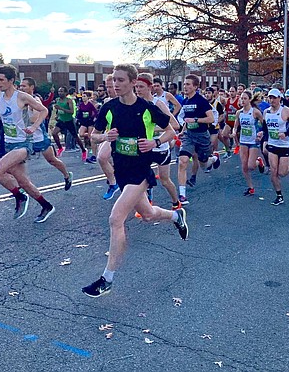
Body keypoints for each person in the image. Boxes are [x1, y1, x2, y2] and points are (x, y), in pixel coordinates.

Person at [81, 64, 186, 298]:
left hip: (140, 172)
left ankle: (107, 279)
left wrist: (155, 142)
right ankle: (176, 216)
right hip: (122, 171)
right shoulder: (109, 108)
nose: (115, 84)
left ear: (132, 82)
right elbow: (93, 136)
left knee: (115, 219)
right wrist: (104, 136)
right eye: (113, 80)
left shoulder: (147, 109)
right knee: (148, 215)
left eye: (120, 80)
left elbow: (172, 131)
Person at [0, 65, 56, 221]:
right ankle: (46, 206)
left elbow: (44, 110)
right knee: (23, 181)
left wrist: (34, 126)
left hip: (24, 144)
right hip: (9, 143)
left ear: (11, 80)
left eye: (1, 80)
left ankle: (20, 197)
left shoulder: (22, 97)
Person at [19, 77, 74, 195]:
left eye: (24, 86)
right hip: (24, 138)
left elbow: (34, 118)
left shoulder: (35, 100)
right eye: (20, 86)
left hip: (38, 136)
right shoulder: (19, 99)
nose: (21, 88)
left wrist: (26, 109)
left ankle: (67, 175)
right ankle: (24, 185)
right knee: (19, 161)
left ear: (31, 87)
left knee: (51, 160)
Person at [135, 73, 182, 209]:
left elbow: (175, 125)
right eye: (136, 86)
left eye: (141, 87)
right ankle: (147, 204)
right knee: (142, 177)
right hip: (144, 148)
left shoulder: (158, 104)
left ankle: (175, 202)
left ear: (150, 87)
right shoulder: (136, 104)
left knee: (164, 180)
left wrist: (154, 129)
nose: (138, 90)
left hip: (160, 147)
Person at [176, 74, 221, 205]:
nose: (185, 86)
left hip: (202, 136)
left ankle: (214, 159)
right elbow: (186, 119)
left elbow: (211, 119)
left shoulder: (201, 101)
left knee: (204, 164)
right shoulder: (185, 101)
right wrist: (182, 131)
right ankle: (182, 195)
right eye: (184, 84)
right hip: (189, 136)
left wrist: (196, 120)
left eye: (188, 84)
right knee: (183, 161)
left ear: (195, 87)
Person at [263, 88, 289, 205]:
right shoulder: (266, 112)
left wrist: (286, 133)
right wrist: (263, 138)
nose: (271, 100)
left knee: (281, 173)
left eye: (274, 97)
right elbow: (265, 128)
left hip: (284, 145)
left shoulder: (286, 111)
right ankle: (279, 196)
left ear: (279, 98)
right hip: (272, 144)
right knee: (273, 171)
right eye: (270, 97)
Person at [233, 90, 265, 196]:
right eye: (241, 98)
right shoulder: (239, 112)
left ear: (249, 100)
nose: (242, 100)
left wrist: (261, 133)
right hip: (243, 141)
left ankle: (258, 161)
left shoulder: (255, 112)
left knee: (251, 166)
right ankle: (250, 187)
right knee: (244, 167)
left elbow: (264, 124)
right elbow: (236, 126)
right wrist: (233, 133)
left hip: (253, 141)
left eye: (245, 98)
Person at [97, 74, 120, 200]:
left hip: (129, 137)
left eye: (111, 87)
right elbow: (101, 124)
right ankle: (113, 183)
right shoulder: (107, 102)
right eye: (107, 87)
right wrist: (104, 135)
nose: (109, 90)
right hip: (112, 135)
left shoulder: (131, 101)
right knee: (102, 158)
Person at [52, 86, 88, 161]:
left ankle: (84, 150)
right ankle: (60, 148)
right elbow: (58, 110)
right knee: (54, 133)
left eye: (62, 91)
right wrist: (57, 115)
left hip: (69, 121)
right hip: (61, 120)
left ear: (65, 93)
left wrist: (61, 109)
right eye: (59, 91)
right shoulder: (57, 100)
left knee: (75, 137)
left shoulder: (69, 101)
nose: (60, 93)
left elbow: (71, 112)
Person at [76, 91, 98, 162]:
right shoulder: (81, 104)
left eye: (84, 96)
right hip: (83, 122)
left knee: (90, 137)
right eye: (82, 96)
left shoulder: (90, 104)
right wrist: (78, 119)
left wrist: (94, 117)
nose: (83, 98)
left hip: (90, 121)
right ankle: (89, 135)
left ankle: (93, 149)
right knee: (81, 134)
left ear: (88, 97)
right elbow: (79, 113)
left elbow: (95, 111)